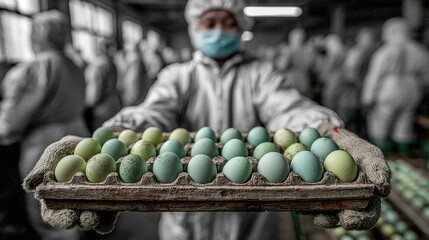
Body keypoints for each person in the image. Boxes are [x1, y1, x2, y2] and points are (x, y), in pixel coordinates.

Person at [22, 1, 391, 239]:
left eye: (226, 22)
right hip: (185, 218)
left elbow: (288, 108)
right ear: (195, 26)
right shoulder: (178, 75)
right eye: (208, 21)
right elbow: (152, 115)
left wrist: (328, 132)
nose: (216, 29)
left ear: (239, 28)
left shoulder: (261, 74)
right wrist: (113, 136)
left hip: (254, 215)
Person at [0, 10, 89, 240]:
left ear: (37, 35)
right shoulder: (75, 65)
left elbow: (11, 122)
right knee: (75, 203)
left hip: (46, 147)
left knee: (49, 212)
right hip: (78, 137)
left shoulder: (36, 68)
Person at [361, 18, 429, 156]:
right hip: (412, 90)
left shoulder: (385, 51)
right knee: (404, 125)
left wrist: (367, 98)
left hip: (389, 89)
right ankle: (403, 159)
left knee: (382, 125)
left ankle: (382, 158)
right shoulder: (420, 51)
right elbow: (426, 78)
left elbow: (374, 77)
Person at [84, 38, 122, 132]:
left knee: (101, 137)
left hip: (101, 108)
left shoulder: (98, 65)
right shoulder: (111, 62)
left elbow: (95, 93)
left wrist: (85, 106)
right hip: (114, 103)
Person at [276, 28, 318, 98]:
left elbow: (282, 66)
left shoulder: (288, 49)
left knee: (292, 101)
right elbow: (313, 66)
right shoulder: (309, 50)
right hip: (304, 79)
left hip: (292, 79)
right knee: (304, 101)